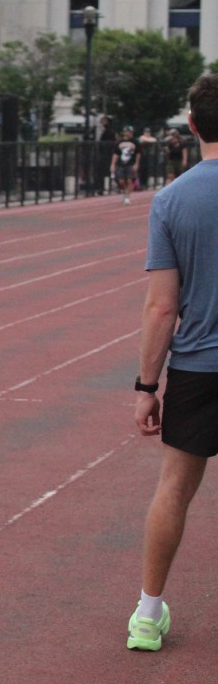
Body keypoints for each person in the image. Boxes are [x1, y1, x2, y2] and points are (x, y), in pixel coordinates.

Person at [128, 73, 218, 651]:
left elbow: (162, 307)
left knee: (174, 488)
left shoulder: (172, 199)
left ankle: (147, 613)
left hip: (197, 367)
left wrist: (146, 386)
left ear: (191, 125)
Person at [111, 128, 140, 205]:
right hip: (120, 164)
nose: (130, 133)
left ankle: (127, 197)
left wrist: (136, 164)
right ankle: (124, 191)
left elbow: (138, 154)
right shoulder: (119, 142)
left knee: (130, 180)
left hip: (130, 163)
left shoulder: (135, 142)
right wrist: (112, 164)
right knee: (121, 181)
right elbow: (116, 154)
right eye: (129, 132)